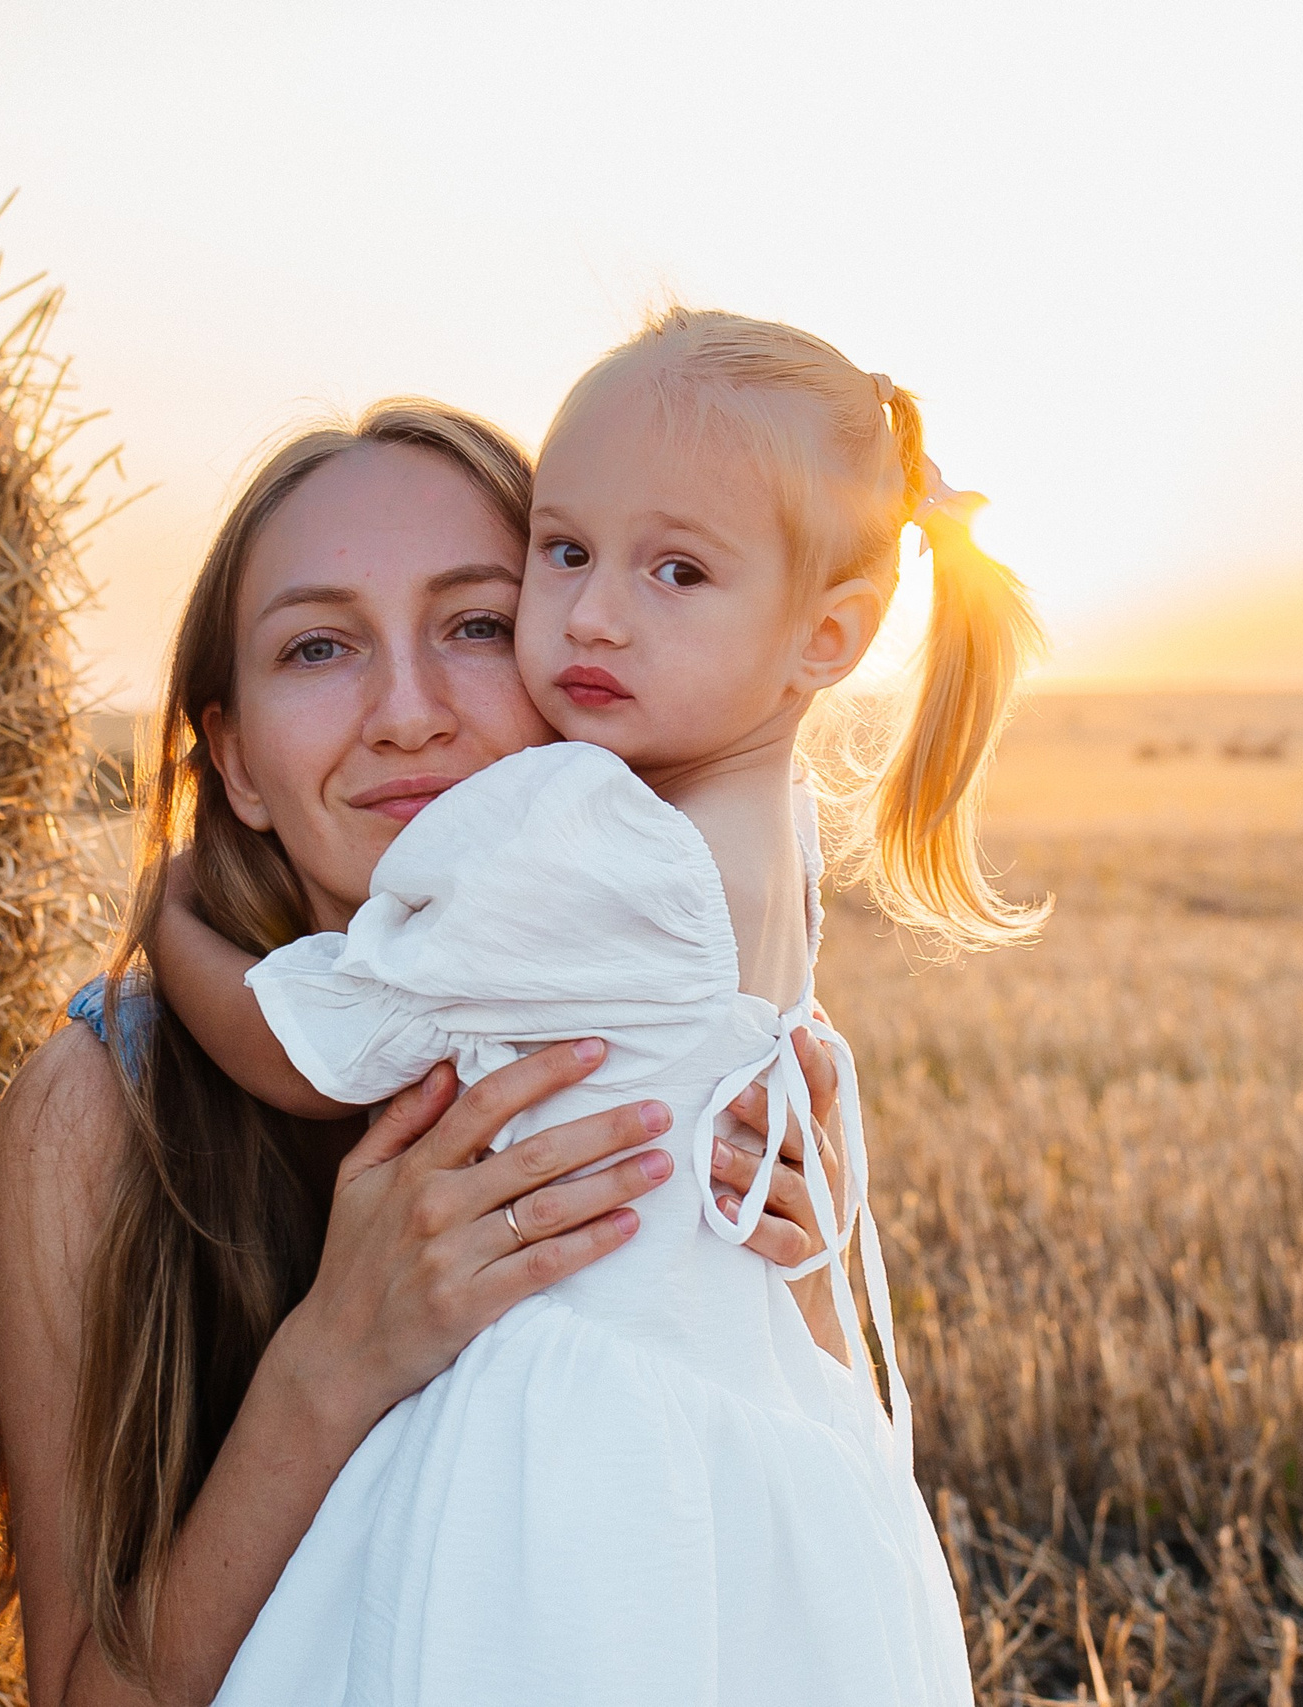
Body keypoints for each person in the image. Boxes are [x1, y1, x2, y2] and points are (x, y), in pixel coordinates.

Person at [151, 308, 1043, 1704]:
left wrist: (169, 928)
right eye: (563, 553)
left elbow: (304, 1045)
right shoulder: (778, 845)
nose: (599, 613)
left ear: (828, 636)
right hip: (757, 1441)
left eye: (677, 569)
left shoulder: (589, 835)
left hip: (571, 1440)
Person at [0, 400, 853, 1705]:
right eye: (319, 648)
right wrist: (337, 1360)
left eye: (477, 625)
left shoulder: (678, 1029)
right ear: (239, 764)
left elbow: (790, 1564)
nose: (408, 713)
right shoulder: (96, 1117)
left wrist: (800, 1271)